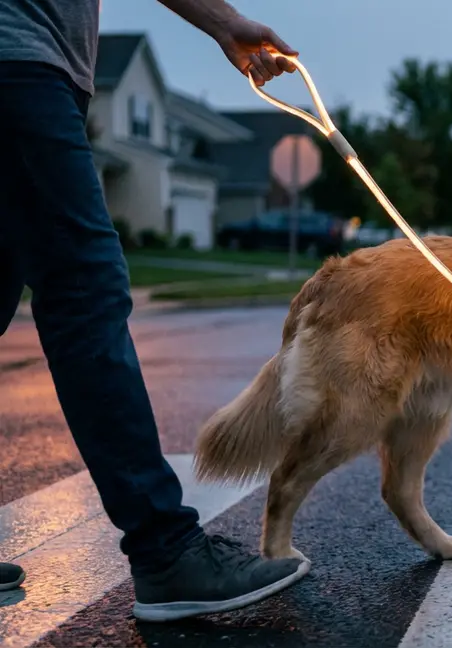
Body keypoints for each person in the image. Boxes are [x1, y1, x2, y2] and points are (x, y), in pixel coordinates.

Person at [0, 0, 307, 623]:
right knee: (83, 288)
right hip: (16, 62)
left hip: (35, 66)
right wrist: (222, 21)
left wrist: (223, 25)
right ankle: (166, 551)